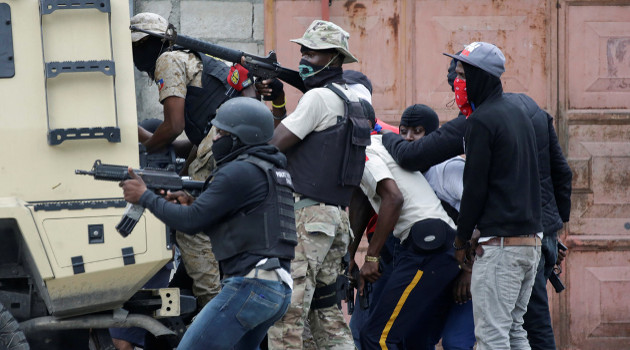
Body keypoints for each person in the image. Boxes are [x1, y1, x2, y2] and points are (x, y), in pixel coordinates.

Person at [121, 97, 295, 349]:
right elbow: (236, 224)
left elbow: (190, 223)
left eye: (222, 132)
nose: (215, 139)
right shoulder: (270, 170)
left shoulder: (237, 171)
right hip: (275, 289)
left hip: (249, 285)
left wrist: (144, 196)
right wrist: (192, 204)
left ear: (240, 137)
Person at [267, 20, 370, 349]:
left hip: (308, 219)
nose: (304, 58)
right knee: (326, 315)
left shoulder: (318, 99)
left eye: (314, 53)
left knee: (286, 314)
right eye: (304, 51)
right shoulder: (354, 101)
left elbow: (275, 143)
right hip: (335, 220)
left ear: (335, 59)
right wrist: (282, 102)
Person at [444, 42, 543, 350]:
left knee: (491, 337)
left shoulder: (481, 121)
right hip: (529, 244)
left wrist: (461, 240)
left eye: (462, 74)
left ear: (480, 77)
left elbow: (474, 188)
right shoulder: (518, 113)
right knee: (514, 332)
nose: (457, 82)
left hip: (501, 249)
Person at [349, 107, 459, 349]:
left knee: (378, 337)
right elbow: (363, 202)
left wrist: (371, 256)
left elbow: (393, 199)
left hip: (428, 248)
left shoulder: (364, 149)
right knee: (405, 340)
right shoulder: (376, 147)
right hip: (428, 248)